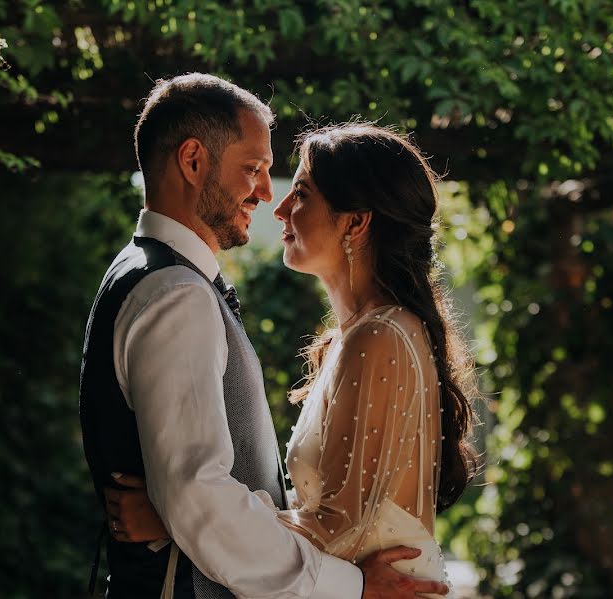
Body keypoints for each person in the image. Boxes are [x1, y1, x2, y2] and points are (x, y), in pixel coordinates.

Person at [79, 73, 451, 599]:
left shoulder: (150, 277)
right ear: (192, 162)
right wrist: (182, 514)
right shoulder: (175, 293)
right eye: (253, 170)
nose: (266, 196)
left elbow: (200, 503)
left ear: (356, 223)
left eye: (292, 187)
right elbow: (198, 497)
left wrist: (173, 519)